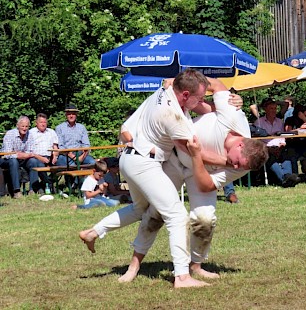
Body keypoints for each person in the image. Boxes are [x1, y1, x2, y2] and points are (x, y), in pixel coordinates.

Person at [80, 77, 268, 283]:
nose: (236, 167)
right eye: (237, 162)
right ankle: (135, 266)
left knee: (205, 219)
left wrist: (210, 158)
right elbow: (212, 86)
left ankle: (195, 265)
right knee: (155, 213)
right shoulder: (231, 117)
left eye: (241, 168)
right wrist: (221, 157)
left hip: (200, 174)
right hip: (174, 159)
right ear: (240, 145)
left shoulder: (244, 164)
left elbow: (206, 184)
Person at [255, 97, 300, 187]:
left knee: (286, 156)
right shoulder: (259, 122)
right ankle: (284, 179)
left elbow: (282, 135)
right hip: (266, 148)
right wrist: (268, 148)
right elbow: (257, 140)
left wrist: (282, 144)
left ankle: (288, 177)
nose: (273, 111)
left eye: (275, 108)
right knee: (269, 157)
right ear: (265, 109)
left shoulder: (279, 122)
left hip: (279, 147)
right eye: (271, 108)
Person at [0, 116, 35, 198]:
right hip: (5, 159)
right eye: (22, 126)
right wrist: (19, 155)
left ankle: (32, 189)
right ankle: (17, 191)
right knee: (13, 161)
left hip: (22, 158)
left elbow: (30, 152)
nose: (24, 128)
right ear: (17, 126)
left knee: (33, 161)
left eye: (26, 126)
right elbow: (8, 153)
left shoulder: (30, 135)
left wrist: (21, 155)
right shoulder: (10, 134)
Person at [25, 113, 59, 194]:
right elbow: (29, 150)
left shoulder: (51, 132)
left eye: (45, 122)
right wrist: (40, 158)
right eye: (41, 122)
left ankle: (43, 184)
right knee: (38, 164)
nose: (43, 124)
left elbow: (55, 147)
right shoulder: (31, 133)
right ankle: (43, 186)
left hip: (50, 156)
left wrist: (55, 156)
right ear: (36, 123)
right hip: (36, 157)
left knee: (64, 163)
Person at [284, 104, 306, 182]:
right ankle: (295, 175)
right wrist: (299, 129)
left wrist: (305, 119)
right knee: (291, 154)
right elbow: (287, 132)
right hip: (293, 144)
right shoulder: (290, 120)